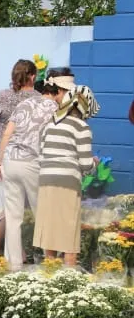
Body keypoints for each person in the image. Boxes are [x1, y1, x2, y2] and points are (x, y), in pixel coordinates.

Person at [0, 69, 74, 269]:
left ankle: (14, 265)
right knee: (43, 216)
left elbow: (7, 134)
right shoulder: (56, 110)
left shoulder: (24, 103)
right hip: (34, 164)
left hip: (11, 162)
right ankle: (50, 263)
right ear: (60, 90)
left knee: (13, 218)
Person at [33, 85, 100, 266]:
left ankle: (49, 274)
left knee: (49, 232)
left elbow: (41, 154)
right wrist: (95, 163)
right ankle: (68, 279)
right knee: (68, 234)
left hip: (46, 180)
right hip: (67, 182)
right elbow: (85, 164)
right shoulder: (81, 127)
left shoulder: (50, 124)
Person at [0, 60, 40, 258]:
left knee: (2, 203)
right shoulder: (38, 99)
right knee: (17, 207)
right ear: (33, 76)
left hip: (1, 153)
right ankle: (13, 251)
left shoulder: (3, 95)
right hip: (27, 157)